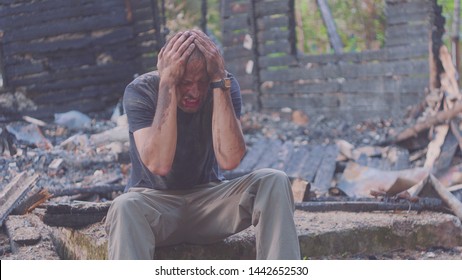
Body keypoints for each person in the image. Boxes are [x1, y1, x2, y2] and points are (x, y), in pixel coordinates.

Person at [105, 29, 301, 260]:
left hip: (209, 203)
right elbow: (158, 164)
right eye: (185, 82)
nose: (194, 92)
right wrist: (167, 84)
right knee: (124, 206)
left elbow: (230, 159)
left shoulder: (222, 84)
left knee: (274, 180)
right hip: (155, 208)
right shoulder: (142, 89)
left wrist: (218, 81)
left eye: (202, 82)